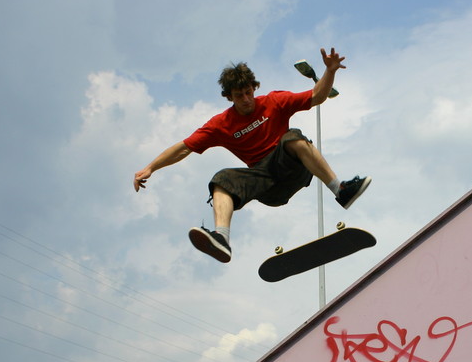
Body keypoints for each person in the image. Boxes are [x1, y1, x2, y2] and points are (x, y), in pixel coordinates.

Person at [133, 47, 370, 263]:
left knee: (292, 137)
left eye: (248, 93)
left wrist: (330, 72)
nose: (246, 100)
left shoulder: (275, 101)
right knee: (221, 179)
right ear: (229, 97)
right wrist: (150, 167)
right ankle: (222, 238)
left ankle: (341, 190)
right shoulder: (221, 124)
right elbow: (184, 147)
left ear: (254, 88)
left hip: (291, 168)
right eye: (239, 96)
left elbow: (317, 96)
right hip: (265, 183)